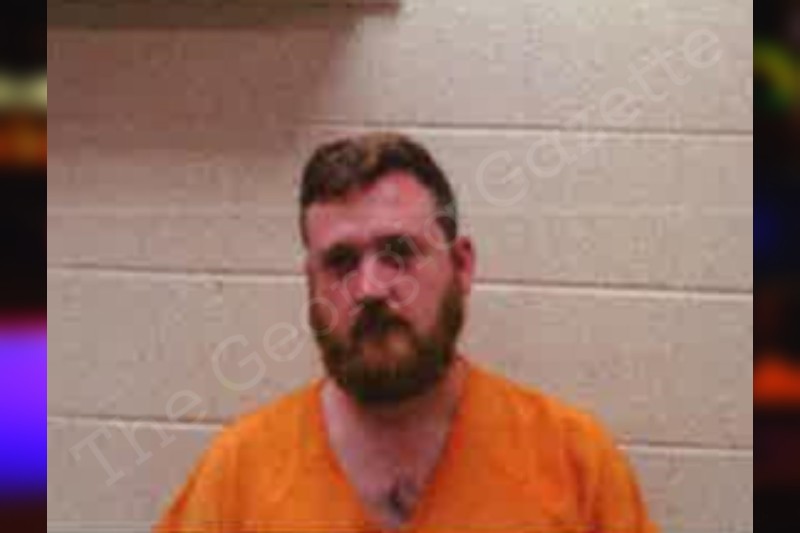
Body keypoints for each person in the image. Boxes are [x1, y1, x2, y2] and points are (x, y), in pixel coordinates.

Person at [155, 133, 657, 533]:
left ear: (461, 266)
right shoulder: (237, 477)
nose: (370, 288)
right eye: (341, 262)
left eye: (398, 254)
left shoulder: (575, 463)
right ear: (311, 283)